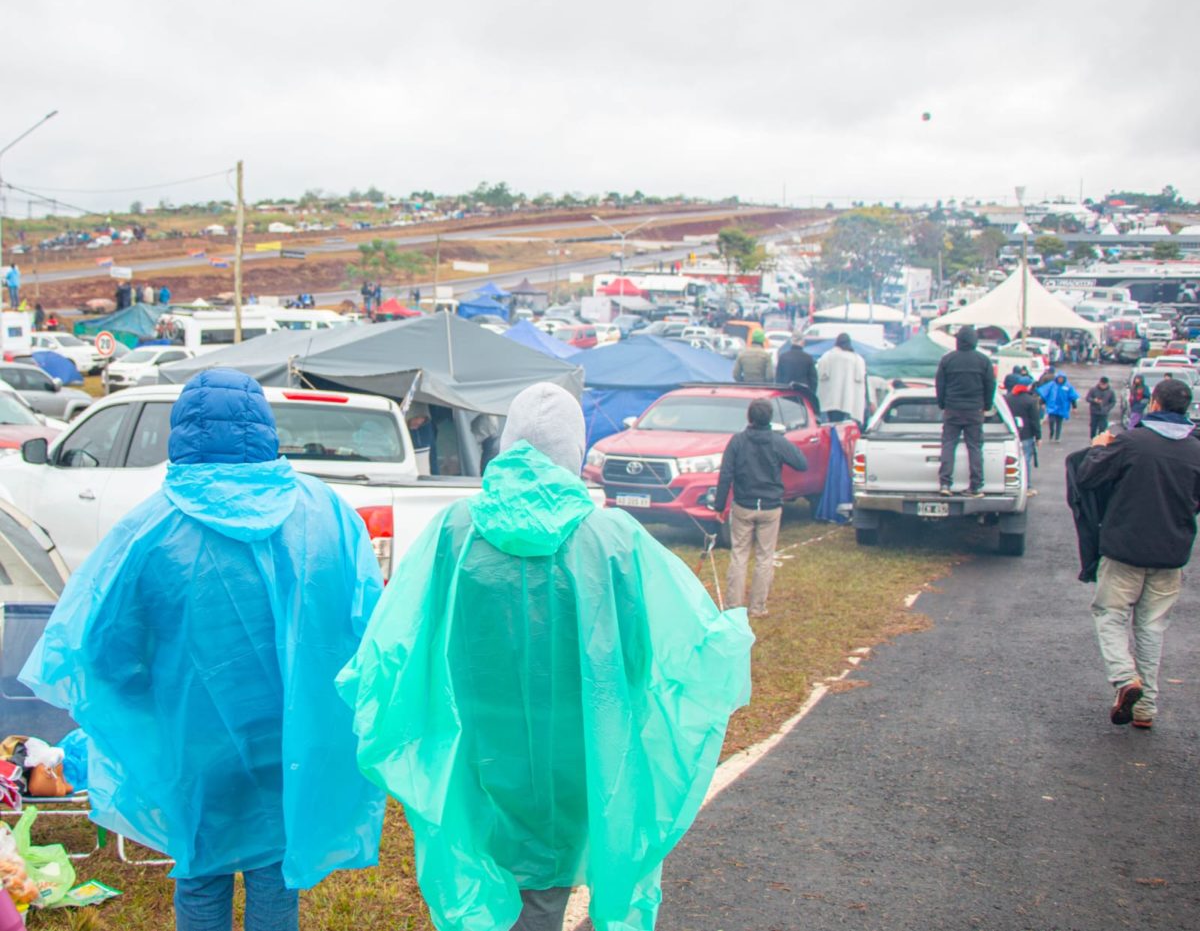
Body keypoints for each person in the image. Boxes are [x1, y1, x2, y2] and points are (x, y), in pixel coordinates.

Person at [337, 383, 753, 931]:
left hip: (476, 739)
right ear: (573, 452)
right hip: (579, 744)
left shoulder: (455, 530)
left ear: (507, 445)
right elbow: (672, 645)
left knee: (485, 852)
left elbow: (398, 639)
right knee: (547, 880)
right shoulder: (611, 537)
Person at [19, 370, 386, 930]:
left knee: (199, 867)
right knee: (275, 867)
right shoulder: (326, 514)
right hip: (292, 734)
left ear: (183, 431)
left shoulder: (149, 529)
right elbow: (367, 627)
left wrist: (144, 700)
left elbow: (102, 651)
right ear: (264, 426)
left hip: (190, 736)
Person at [1076, 378, 1200, 728]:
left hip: (1124, 549)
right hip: (1171, 553)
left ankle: (1124, 678)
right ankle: (1145, 710)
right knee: (1152, 627)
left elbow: (1087, 476)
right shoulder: (1196, 450)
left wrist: (1099, 446)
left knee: (1110, 614)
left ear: (1155, 404)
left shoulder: (1131, 442)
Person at [713, 398, 808, 616]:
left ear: (749, 417)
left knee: (739, 555)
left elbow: (725, 474)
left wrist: (719, 505)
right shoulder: (777, 441)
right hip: (770, 507)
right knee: (765, 558)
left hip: (743, 506)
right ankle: (757, 607)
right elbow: (801, 463)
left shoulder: (737, 441)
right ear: (770, 419)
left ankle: (733, 606)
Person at [934, 326, 995, 497]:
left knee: (948, 445)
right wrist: (987, 405)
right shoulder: (983, 361)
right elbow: (990, 385)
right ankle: (975, 486)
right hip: (975, 410)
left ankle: (945, 484)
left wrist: (942, 404)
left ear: (958, 341)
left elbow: (940, 385)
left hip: (952, 409)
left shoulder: (948, 360)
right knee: (975, 447)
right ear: (975, 341)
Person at [816, 333, 867, 424]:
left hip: (831, 400)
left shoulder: (827, 356)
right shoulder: (857, 359)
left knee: (831, 423)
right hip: (848, 400)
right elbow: (861, 377)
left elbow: (821, 374)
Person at [1005, 381, 1042, 496]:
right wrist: (1038, 436)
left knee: (1010, 462)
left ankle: (1011, 485)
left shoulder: (1006, 398)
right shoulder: (1030, 400)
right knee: (1025, 461)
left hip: (1010, 434)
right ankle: (1026, 486)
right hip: (1026, 434)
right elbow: (1035, 420)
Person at [1038, 372, 1079, 442]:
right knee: (1051, 421)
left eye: (1061, 378)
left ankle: (1057, 437)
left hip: (1062, 407)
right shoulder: (1051, 385)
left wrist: (1074, 407)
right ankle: (1051, 432)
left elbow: (1072, 397)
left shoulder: (1068, 386)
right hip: (1052, 407)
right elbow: (1045, 394)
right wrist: (1042, 403)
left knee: (1059, 423)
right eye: (1059, 378)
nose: (1060, 379)